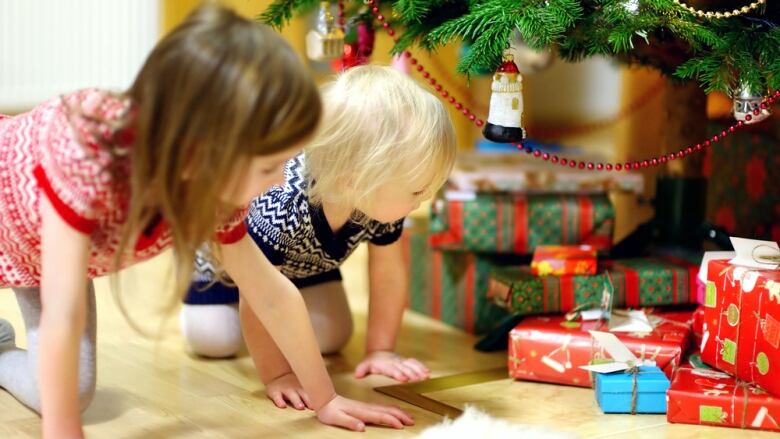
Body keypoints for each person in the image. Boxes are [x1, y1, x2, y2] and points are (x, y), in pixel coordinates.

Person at [0, 5, 410, 438]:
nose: (284, 178)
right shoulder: (87, 161)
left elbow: (270, 294)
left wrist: (325, 399)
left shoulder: (217, 192)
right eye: (271, 165)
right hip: (17, 217)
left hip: (40, 254)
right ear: (205, 150)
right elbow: (64, 312)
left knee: (70, 391)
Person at [181, 65, 457, 408]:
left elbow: (388, 275)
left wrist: (380, 349)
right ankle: (210, 303)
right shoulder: (283, 202)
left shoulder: (380, 205)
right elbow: (259, 295)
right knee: (215, 340)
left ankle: (280, 326)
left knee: (333, 335)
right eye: (417, 190)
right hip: (233, 271)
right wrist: (278, 374)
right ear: (357, 181)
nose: (425, 199)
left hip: (305, 270)